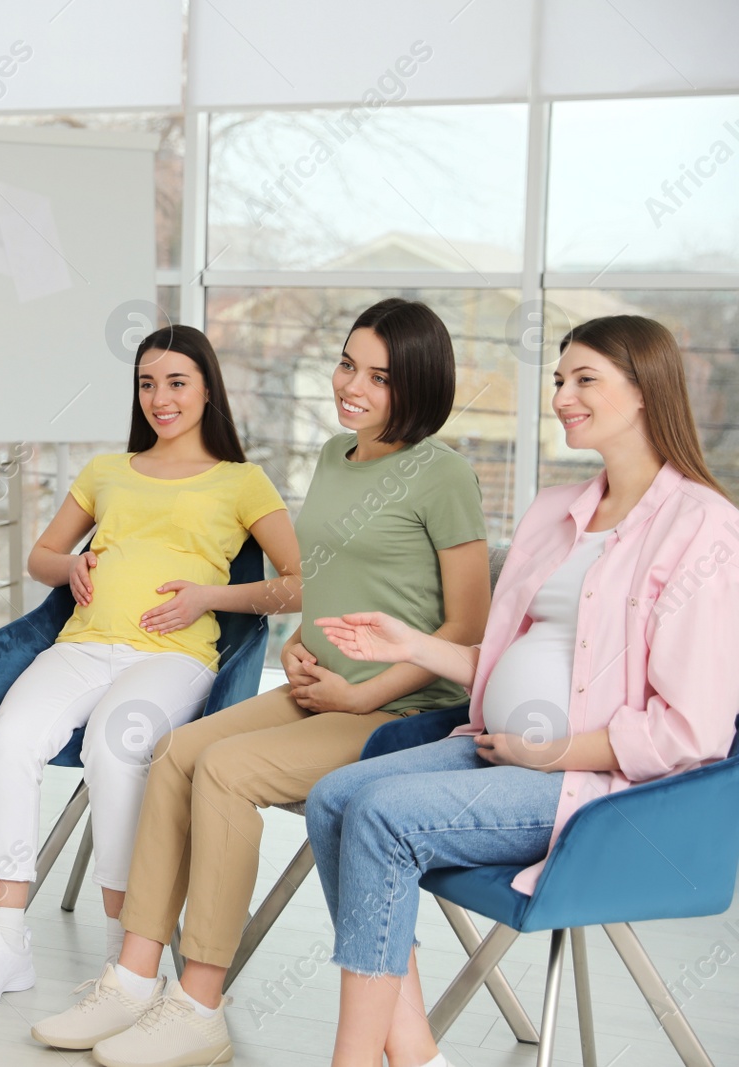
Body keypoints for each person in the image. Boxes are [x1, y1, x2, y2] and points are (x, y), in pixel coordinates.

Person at [33, 299, 491, 1067]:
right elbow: (325, 584)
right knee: (176, 750)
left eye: (379, 376)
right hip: (317, 687)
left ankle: (200, 1003)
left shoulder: (443, 473)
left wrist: (365, 694)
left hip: (403, 710)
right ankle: (133, 977)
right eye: (349, 363)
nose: (353, 385)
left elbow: (470, 628)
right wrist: (305, 650)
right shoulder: (333, 458)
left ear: (417, 384)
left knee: (225, 769)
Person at [307, 314, 739, 1067]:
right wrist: (409, 644)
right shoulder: (556, 510)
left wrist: (554, 751)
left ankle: (355, 1059)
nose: (563, 396)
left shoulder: (705, 529)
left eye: (584, 380)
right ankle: (414, 1054)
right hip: (501, 750)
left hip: (595, 783)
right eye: (559, 379)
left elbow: (691, 733)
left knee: (380, 817)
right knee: (334, 797)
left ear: (644, 392)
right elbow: (512, 657)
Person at [0, 324, 302, 1009]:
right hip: (81, 644)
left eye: (176, 382)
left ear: (206, 390)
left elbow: (298, 581)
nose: (159, 398)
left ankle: (123, 956)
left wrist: (210, 596)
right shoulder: (106, 470)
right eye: (147, 383)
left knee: (116, 745)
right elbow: (41, 556)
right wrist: (71, 562)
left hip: (174, 656)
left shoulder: (241, 480)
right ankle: (6, 941)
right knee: (11, 740)